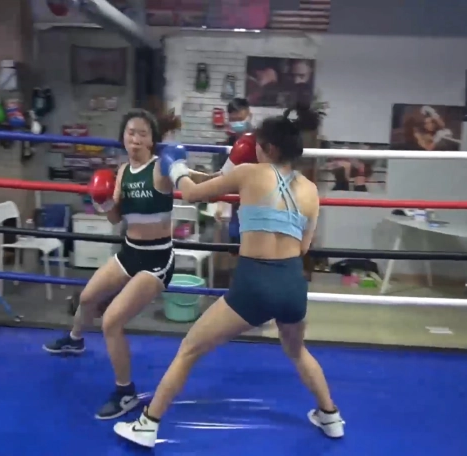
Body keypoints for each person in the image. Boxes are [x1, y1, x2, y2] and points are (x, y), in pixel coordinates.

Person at [113, 114, 345, 447]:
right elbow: (304, 247)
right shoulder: (311, 190)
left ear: (268, 148)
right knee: (296, 350)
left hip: (255, 283)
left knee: (190, 348)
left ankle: (147, 425)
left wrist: (175, 167)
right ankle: (330, 416)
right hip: (294, 285)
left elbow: (192, 194)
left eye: (258, 144)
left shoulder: (248, 173)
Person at [42, 109, 211, 420]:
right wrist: (103, 202)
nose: (136, 138)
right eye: (131, 132)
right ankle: (75, 340)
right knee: (87, 297)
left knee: (111, 322)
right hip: (130, 252)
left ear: (152, 140)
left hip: (156, 260)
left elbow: (194, 181)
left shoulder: (162, 166)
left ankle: (126, 393)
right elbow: (115, 218)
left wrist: (229, 177)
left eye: (143, 133)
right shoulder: (122, 172)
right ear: (123, 137)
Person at [215, 98, 254, 243]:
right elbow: (220, 176)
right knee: (234, 238)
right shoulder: (226, 146)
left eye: (240, 119)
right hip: (234, 200)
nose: (237, 123)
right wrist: (220, 204)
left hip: (256, 198)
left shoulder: (261, 142)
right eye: (233, 120)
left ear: (249, 115)